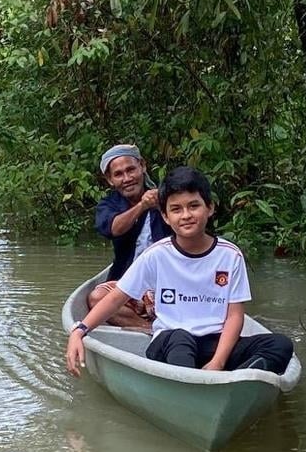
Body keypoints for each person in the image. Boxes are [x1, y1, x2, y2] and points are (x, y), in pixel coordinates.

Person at [67, 166, 293, 377]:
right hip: (168, 341)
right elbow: (116, 298)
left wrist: (218, 362)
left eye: (193, 206)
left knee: (280, 345)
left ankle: (228, 382)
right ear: (165, 216)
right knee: (180, 338)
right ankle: (193, 384)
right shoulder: (156, 255)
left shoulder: (230, 255)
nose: (186, 215)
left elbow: (234, 315)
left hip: (211, 342)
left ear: (210, 208)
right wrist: (80, 330)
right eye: (176, 209)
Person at [87, 143, 172, 331]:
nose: (127, 178)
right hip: (129, 284)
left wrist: (162, 206)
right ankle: (151, 330)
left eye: (131, 170)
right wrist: (142, 206)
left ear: (142, 166)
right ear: (110, 179)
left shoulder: (167, 197)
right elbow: (113, 228)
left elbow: (188, 230)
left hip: (170, 283)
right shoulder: (108, 204)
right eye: (118, 174)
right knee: (96, 298)